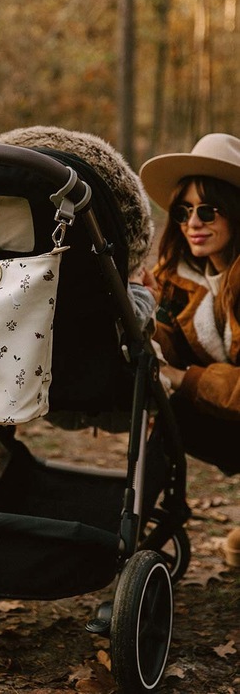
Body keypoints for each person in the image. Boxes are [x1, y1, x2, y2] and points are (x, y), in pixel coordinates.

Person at [139, 133, 240, 568]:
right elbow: (169, 356)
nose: (192, 223)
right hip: (226, 421)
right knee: (168, 410)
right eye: (183, 212)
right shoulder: (180, 277)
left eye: (207, 210)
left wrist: (187, 380)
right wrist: (145, 315)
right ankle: (127, 525)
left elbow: (184, 375)